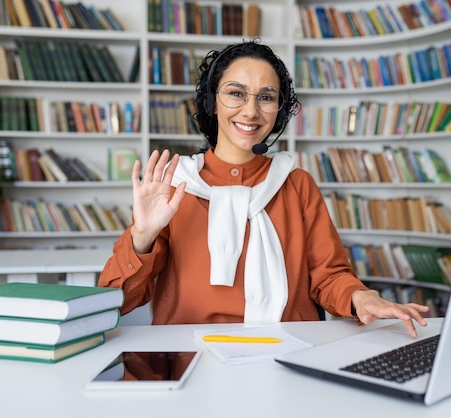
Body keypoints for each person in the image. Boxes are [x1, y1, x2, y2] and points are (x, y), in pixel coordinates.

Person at [98, 39, 429, 337]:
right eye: (236, 93)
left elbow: (328, 275)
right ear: (213, 101)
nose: (251, 110)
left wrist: (361, 297)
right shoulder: (174, 185)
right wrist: (142, 237)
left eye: (266, 97)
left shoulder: (296, 183)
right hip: (190, 356)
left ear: (278, 110)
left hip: (289, 350)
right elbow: (117, 301)